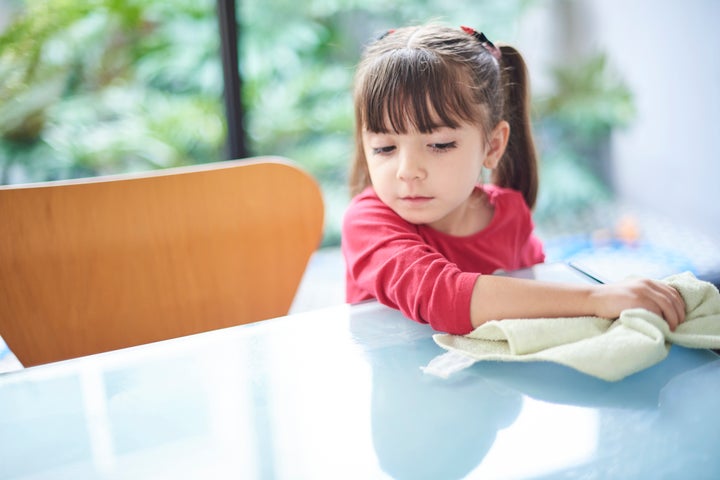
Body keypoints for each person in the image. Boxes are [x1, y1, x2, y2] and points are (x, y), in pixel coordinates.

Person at [341, 23, 686, 335]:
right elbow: (444, 297)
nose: (407, 170)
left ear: (492, 146)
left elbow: (541, 298)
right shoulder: (367, 222)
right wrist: (599, 297)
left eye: (439, 144)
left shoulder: (509, 215)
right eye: (385, 148)